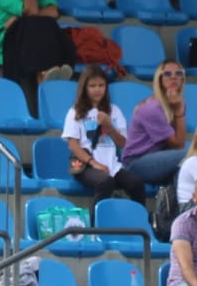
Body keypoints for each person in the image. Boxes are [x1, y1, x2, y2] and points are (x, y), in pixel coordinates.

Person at [63, 66, 146, 206]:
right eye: (92, 86)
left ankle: (141, 217)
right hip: (86, 165)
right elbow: (73, 145)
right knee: (105, 182)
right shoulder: (75, 111)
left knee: (136, 183)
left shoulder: (115, 110)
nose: (97, 89)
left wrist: (109, 127)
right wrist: (93, 163)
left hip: (112, 165)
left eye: (101, 85)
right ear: (84, 88)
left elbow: (123, 143)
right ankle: (96, 219)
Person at [120, 63, 190, 186]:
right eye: (167, 74)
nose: (173, 77)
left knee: (185, 169)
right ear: (159, 79)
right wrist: (178, 111)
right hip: (135, 163)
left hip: (157, 156)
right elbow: (179, 145)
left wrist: (178, 108)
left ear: (183, 79)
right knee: (193, 153)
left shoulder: (179, 102)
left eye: (179, 73)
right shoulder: (152, 108)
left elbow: (177, 142)